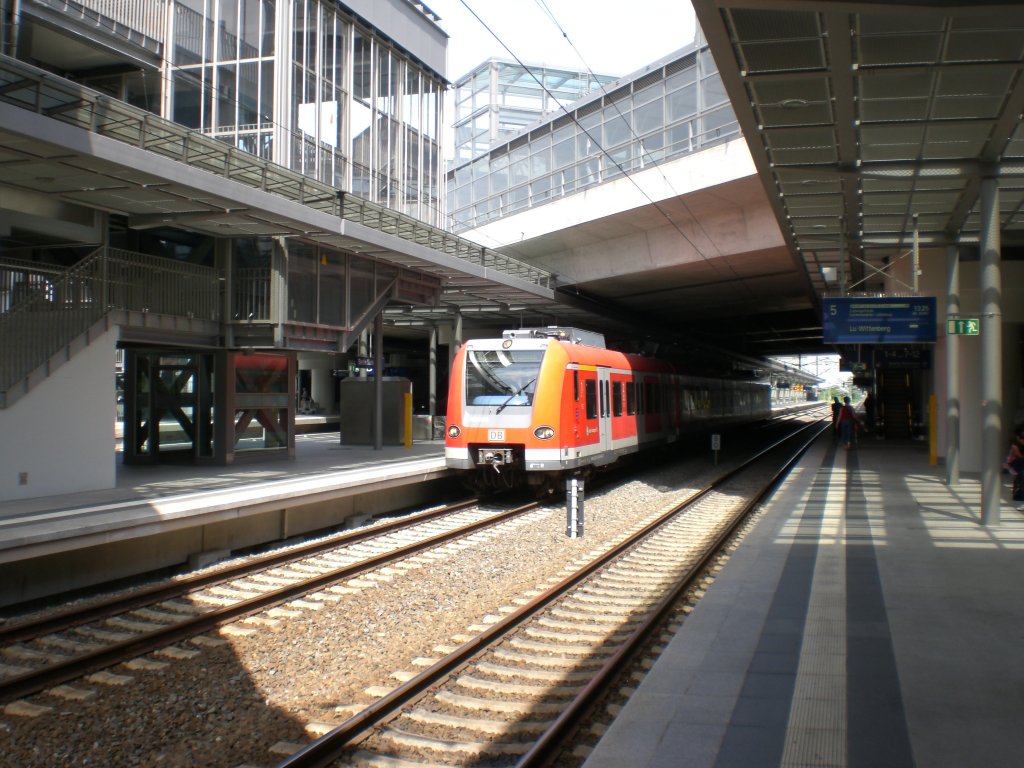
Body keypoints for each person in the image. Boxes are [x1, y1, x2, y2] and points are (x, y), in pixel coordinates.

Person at [1004, 430, 1024, 508]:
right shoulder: (1015, 446)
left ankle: (1019, 495)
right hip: (1014, 465)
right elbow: (1019, 456)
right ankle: (1019, 495)